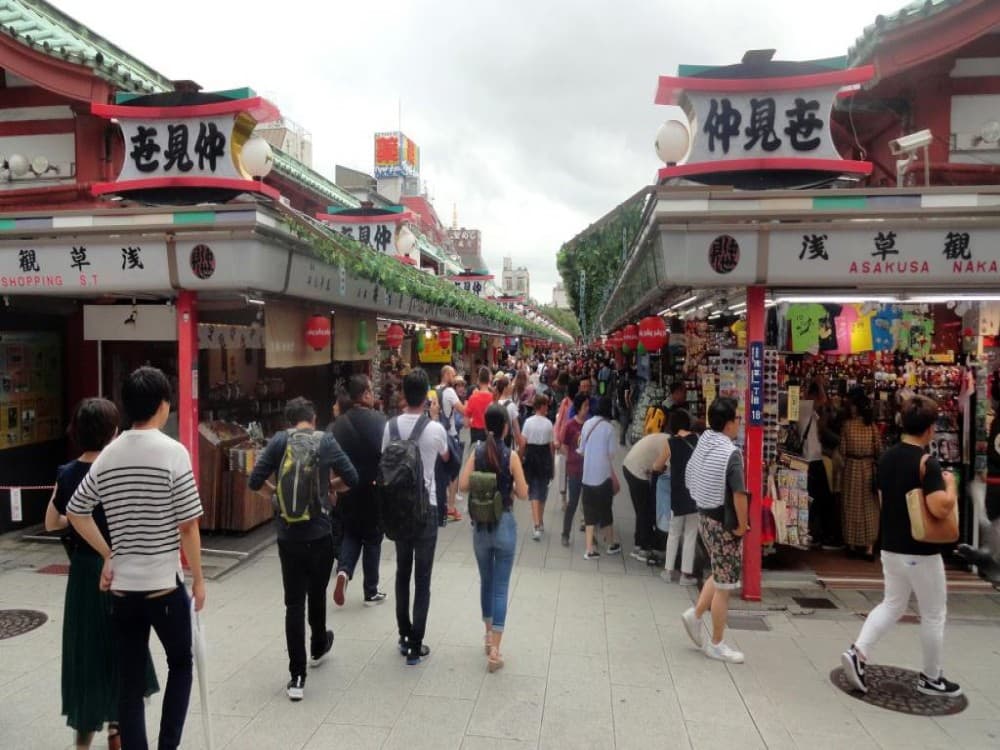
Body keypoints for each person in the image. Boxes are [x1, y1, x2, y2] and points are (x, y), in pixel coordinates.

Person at [67, 367, 205, 750]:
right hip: (164, 588)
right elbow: (188, 525)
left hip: (123, 592)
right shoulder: (174, 452)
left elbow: (76, 511)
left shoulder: (109, 454)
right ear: (163, 405)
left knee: (128, 682)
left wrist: (108, 553)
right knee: (180, 663)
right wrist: (198, 579)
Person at [46, 399, 158, 750]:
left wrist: (75, 522)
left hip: (83, 572)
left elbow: (52, 522)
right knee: (122, 644)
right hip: (120, 569)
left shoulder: (67, 473)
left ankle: (83, 738)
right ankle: (117, 728)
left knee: (87, 650)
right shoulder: (119, 468)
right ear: (112, 433)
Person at [841, 396, 962, 697]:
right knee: (933, 613)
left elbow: (884, 499)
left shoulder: (887, 458)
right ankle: (931, 677)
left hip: (891, 547)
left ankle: (858, 652)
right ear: (929, 429)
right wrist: (951, 485)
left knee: (893, 603)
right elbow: (940, 507)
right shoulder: (927, 463)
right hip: (921, 551)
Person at [249, 397, 358, 700]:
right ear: (313, 418)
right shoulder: (326, 441)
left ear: (289, 420)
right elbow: (352, 477)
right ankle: (318, 645)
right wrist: (328, 488)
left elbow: (254, 480)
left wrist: (276, 496)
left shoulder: (278, 441)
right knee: (317, 592)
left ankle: (297, 677)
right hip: (320, 532)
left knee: (294, 604)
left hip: (288, 536)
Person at [382, 368, 450, 665]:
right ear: (426, 397)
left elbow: (384, 460)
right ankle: (415, 645)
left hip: (399, 509)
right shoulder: (435, 429)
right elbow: (447, 457)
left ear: (403, 394)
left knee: (402, 573)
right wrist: (434, 418)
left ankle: (403, 633)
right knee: (423, 579)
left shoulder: (390, 427)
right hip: (426, 508)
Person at [459, 404, 528, 673]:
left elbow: (463, 485)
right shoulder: (511, 455)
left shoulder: (476, 452)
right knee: (501, 587)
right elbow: (523, 493)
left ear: (486, 425)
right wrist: (510, 487)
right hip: (505, 524)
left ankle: (487, 635)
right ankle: (496, 651)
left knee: (486, 582)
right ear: (506, 428)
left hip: (481, 526)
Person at [681, 397, 748, 665]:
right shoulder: (731, 453)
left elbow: (689, 474)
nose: (739, 423)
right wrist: (742, 525)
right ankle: (717, 643)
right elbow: (739, 494)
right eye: (738, 419)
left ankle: (695, 615)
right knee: (725, 585)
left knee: (719, 572)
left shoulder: (704, 442)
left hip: (704, 517)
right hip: (723, 523)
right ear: (729, 423)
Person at [329, 376, 388, 608]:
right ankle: (370, 591)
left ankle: (344, 571)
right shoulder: (379, 420)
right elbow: (386, 453)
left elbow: (333, 458)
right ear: (364, 394)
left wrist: (333, 486)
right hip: (373, 487)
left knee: (351, 533)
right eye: (371, 391)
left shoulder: (339, 425)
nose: (373, 395)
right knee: (372, 538)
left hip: (347, 487)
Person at [658, 409, 699, 585]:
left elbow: (657, 465)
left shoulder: (670, 442)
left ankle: (668, 571)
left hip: (677, 492)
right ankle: (685, 575)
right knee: (690, 533)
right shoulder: (697, 439)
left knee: (674, 532)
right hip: (694, 492)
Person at [579, 396, 622, 560]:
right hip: (603, 476)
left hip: (587, 475)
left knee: (589, 511)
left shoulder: (587, 424)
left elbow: (581, 449)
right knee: (605, 510)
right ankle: (610, 543)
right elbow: (611, 454)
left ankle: (589, 549)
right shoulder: (609, 428)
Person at [840, 387, 881, 560]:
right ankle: (869, 548)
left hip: (851, 468)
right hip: (868, 468)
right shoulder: (871, 426)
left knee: (850, 505)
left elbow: (842, 450)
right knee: (869, 507)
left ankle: (851, 544)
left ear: (855, 407)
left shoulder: (847, 425)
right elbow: (878, 448)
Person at [622, 427, 671, 563]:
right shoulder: (671, 446)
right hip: (637, 471)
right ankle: (643, 549)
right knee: (645, 510)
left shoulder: (666, 438)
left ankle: (638, 545)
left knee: (641, 510)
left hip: (629, 465)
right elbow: (659, 470)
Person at [521, 394, 555, 541]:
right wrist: (552, 464)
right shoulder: (548, 424)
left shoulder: (528, 422)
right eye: (546, 405)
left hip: (531, 456)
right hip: (544, 456)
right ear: (541, 406)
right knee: (543, 490)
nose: (548, 407)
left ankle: (536, 524)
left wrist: (521, 456)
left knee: (534, 490)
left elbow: (523, 443)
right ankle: (539, 520)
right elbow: (551, 446)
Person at [437, 366, 467, 523]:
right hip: (450, 435)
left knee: (439, 471)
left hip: (436, 434)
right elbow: (463, 411)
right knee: (454, 471)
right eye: (453, 375)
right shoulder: (449, 392)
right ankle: (450, 507)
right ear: (446, 374)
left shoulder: (434, 391)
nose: (454, 378)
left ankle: (440, 505)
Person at [561, 393, 589, 547]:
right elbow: (564, 447)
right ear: (578, 408)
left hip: (589, 469)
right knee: (573, 502)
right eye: (585, 406)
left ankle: (591, 534)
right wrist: (572, 458)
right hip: (574, 469)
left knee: (589, 502)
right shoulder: (570, 425)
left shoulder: (590, 424)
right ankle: (565, 533)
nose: (588, 408)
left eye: (588, 405)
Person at [466, 366, 494, 445]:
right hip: (490, 433)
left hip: (476, 433)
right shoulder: (493, 398)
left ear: (478, 380)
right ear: (489, 380)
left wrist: (472, 420)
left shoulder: (472, 398)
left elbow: (466, 423)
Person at [495, 376, 524, 450]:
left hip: (495, 444)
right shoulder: (511, 406)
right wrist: (521, 446)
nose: (511, 387)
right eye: (510, 385)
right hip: (508, 444)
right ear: (505, 388)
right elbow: (516, 430)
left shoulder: (494, 404)